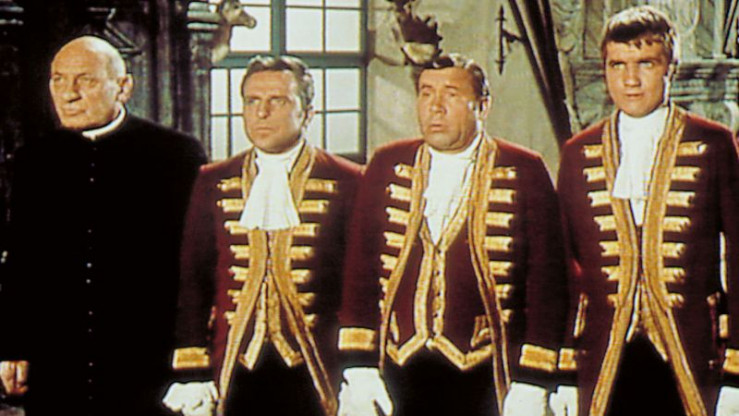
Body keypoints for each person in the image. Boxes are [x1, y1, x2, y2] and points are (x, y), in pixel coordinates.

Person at [336, 53, 568, 416]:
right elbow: (360, 271)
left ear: (483, 106)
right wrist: (358, 366)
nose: (436, 107)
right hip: (396, 370)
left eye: (451, 94)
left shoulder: (524, 168)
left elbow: (547, 284)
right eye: (426, 93)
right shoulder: (386, 163)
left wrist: (533, 381)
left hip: (489, 376)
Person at [0, 36, 207, 416]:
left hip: (147, 358)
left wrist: (194, 360)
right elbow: (22, 260)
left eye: (86, 80)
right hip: (57, 358)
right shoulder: (34, 159)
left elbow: (196, 265)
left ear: (123, 87)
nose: (69, 94)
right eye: (58, 80)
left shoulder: (177, 154)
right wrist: (12, 346)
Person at [555, 6, 739, 416]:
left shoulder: (713, 143)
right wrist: (561, 369)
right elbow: (564, 269)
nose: (630, 80)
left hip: (693, 353)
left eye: (645, 64)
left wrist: (737, 370)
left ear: (670, 67)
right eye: (617, 65)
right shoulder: (578, 152)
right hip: (602, 358)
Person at [161, 55, 360, 416]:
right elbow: (194, 280)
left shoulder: (349, 180)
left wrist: (358, 369)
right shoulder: (213, 179)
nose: (261, 113)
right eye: (252, 101)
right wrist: (193, 370)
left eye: (277, 101)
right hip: (233, 367)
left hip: (319, 368)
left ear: (308, 113)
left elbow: (359, 284)